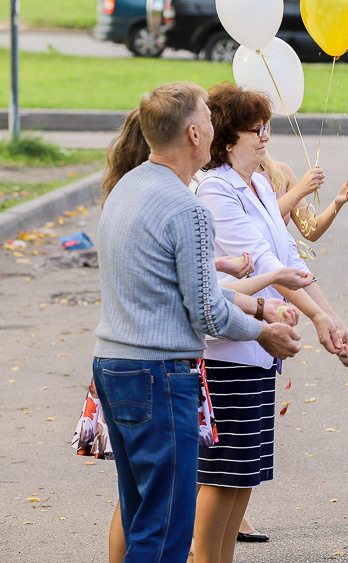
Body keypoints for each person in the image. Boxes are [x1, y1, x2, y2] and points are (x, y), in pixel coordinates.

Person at [92, 81, 302, 562]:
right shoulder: (188, 208)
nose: (213, 126)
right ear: (193, 133)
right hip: (159, 376)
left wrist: (254, 303)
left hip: (113, 367)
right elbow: (206, 311)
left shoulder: (126, 187)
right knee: (164, 527)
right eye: (208, 118)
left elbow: (167, 282)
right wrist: (264, 331)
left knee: (140, 510)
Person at [193, 84, 348, 563]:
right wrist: (316, 316)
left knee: (244, 476)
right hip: (226, 350)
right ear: (228, 139)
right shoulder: (215, 189)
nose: (266, 137)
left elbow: (291, 258)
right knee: (222, 476)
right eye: (256, 130)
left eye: (267, 127)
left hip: (260, 349)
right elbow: (266, 264)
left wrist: (332, 319)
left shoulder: (260, 185)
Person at [260, 153, 348, 242]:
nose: (265, 138)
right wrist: (300, 189)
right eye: (256, 135)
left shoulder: (281, 171)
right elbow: (258, 221)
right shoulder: (249, 177)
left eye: (266, 132)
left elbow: (310, 230)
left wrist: (337, 203)